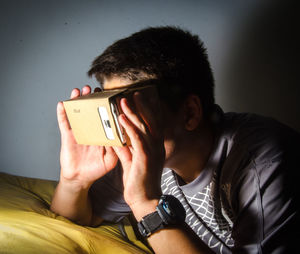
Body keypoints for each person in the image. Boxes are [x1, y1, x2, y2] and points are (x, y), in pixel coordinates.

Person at [51, 26, 299, 253]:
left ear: (189, 112)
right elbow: (81, 217)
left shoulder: (265, 162)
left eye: (131, 112)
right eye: (114, 110)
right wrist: (74, 181)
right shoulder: (144, 154)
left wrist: (145, 203)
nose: (122, 130)